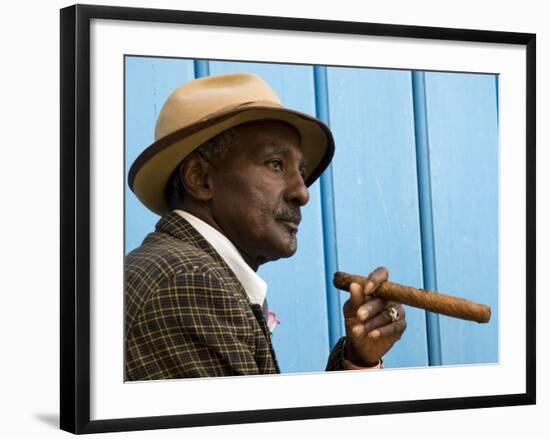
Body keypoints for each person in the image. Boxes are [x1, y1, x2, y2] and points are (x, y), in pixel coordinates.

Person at [125, 72, 407, 380]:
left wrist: (358, 360)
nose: (302, 192)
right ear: (200, 177)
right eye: (275, 164)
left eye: (301, 171)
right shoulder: (189, 283)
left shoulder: (187, 269)